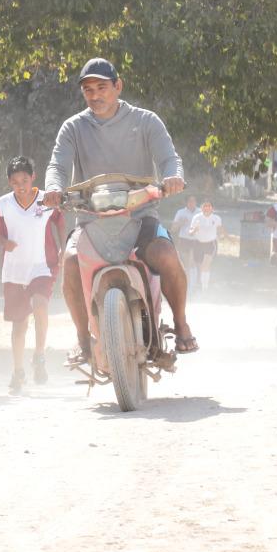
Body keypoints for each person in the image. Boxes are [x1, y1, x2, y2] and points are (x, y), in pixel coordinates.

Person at [42, 58, 198, 360]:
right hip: (91, 220)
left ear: (118, 86)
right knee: (70, 262)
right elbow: (57, 165)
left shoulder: (146, 121)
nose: (95, 95)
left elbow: (169, 158)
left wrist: (173, 176)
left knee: (166, 254)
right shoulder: (73, 127)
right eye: (88, 90)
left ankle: (181, 324)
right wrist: (53, 188)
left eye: (102, 87)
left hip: (141, 217)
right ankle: (83, 340)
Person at [0, 156, 64, 394]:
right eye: (15, 182)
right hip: (14, 271)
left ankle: (39, 356)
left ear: (33, 177)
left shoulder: (46, 199)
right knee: (19, 325)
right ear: (9, 183)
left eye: (24, 180)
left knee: (40, 305)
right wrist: (4, 243)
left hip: (42, 266)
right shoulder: (3, 204)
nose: (20, 186)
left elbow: (60, 220)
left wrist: (63, 248)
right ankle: (18, 371)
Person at [184, 199, 223, 293]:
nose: (207, 208)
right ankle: (195, 286)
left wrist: (224, 237)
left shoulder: (216, 218)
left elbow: (220, 230)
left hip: (211, 244)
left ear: (212, 208)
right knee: (197, 266)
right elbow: (190, 232)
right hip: (198, 244)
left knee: (205, 265)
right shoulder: (197, 217)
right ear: (201, 208)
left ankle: (204, 289)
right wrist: (195, 230)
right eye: (205, 206)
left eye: (209, 206)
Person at [171, 194, 199, 268]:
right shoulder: (180, 212)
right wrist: (181, 222)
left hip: (197, 239)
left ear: (196, 202)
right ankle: (188, 275)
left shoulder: (200, 212)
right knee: (186, 262)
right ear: (186, 202)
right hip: (184, 239)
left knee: (194, 261)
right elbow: (173, 228)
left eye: (194, 201)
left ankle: (195, 274)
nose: (192, 203)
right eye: (190, 201)